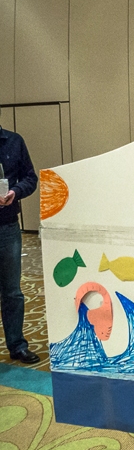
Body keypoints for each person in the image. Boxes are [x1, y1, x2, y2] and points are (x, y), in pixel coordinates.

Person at [0, 120, 39, 364]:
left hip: (7, 227)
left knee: (12, 292)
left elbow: (30, 177)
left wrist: (16, 191)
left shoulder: (14, 141)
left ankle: (17, 345)